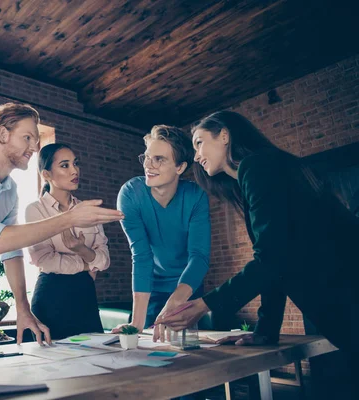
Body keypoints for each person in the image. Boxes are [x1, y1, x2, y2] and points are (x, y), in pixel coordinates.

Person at [158, 110, 359, 397]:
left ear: (225, 135)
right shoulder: (254, 175)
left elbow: (271, 260)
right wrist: (265, 331)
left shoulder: (257, 166)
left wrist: (205, 304)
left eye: (200, 142)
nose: (196, 155)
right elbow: (277, 264)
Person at [0, 103, 123, 348]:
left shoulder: (10, 189)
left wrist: (23, 309)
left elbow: (12, 252)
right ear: (3, 135)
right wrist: (70, 219)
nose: (34, 147)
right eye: (27, 137)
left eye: (36, 140)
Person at [111, 125, 211, 339]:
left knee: (190, 355)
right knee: (148, 352)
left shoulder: (196, 197)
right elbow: (141, 256)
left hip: (188, 286)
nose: (149, 165)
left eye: (159, 159)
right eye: (147, 157)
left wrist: (177, 299)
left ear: (180, 167)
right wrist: (136, 323)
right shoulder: (130, 195)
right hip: (151, 288)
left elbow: (199, 257)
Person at [26, 143, 110, 340]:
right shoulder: (35, 210)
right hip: (51, 295)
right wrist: (87, 263)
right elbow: (44, 259)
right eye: (65, 165)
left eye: (75, 163)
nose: (75, 170)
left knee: (94, 361)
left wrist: (80, 248)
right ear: (46, 175)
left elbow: (104, 260)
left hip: (85, 294)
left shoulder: (87, 209)